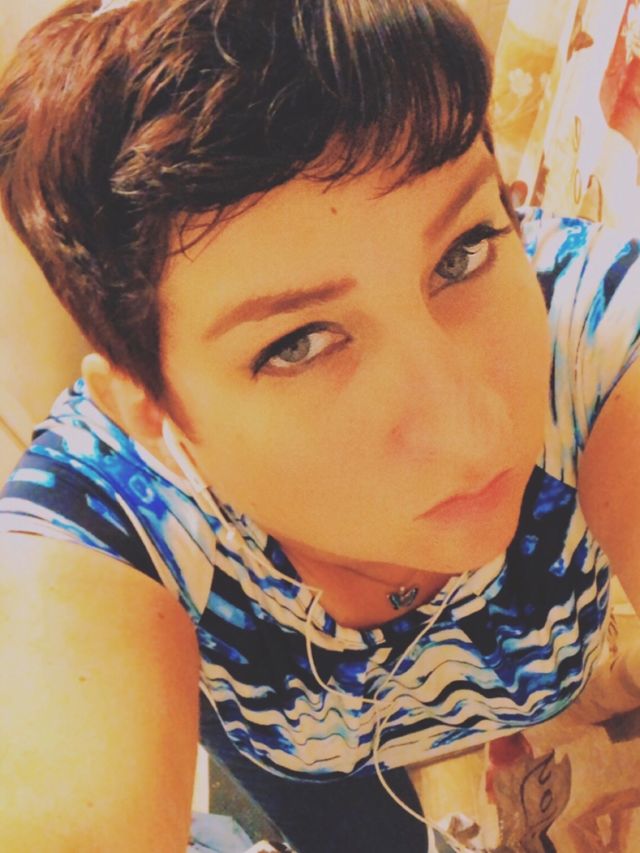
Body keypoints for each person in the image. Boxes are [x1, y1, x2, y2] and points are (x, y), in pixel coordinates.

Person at [1, 0, 639, 850]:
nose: (472, 430)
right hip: (307, 766)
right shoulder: (107, 520)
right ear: (150, 412)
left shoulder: (598, 331)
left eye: (462, 253)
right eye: (297, 343)